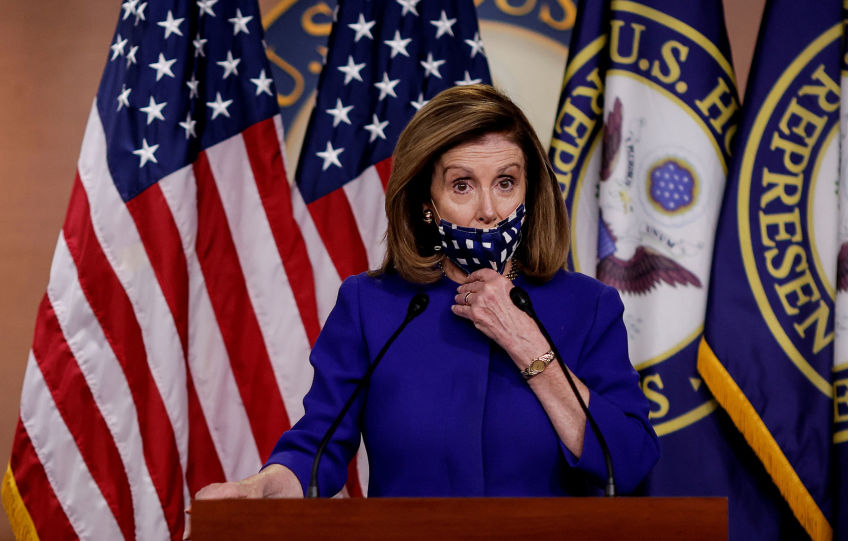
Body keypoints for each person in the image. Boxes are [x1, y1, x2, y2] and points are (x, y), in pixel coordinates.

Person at [194, 84, 659, 502]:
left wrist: (528, 345)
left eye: (506, 182)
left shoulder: (587, 307)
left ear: (530, 190)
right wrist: (259, 488)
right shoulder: (374, 306)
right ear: (426, 204)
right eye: (462, 185)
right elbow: (318, 448)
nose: (489, 209)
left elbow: (628, 463)